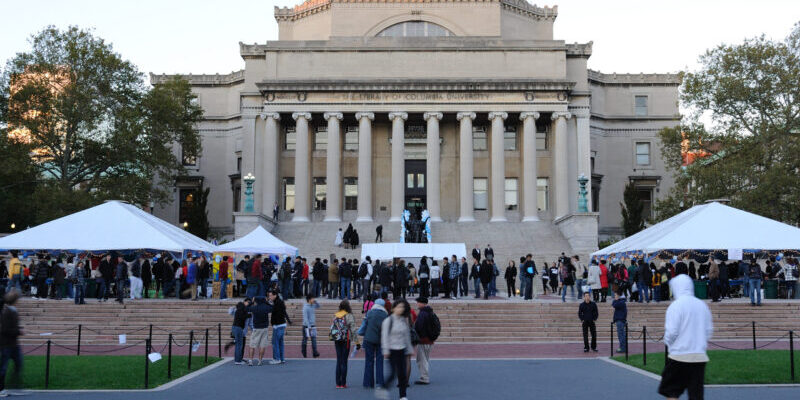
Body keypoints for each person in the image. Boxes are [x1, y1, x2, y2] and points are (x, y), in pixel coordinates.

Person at [658, 274, 713, 400]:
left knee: (671, 391)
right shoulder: (702, 305)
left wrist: (669, 343)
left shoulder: (676, 306)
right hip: (699, 356)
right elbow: (708, 331)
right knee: (696, 395)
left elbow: (672, 332)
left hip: (679, 355)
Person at [376, 299, 413, 400]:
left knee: (402, 374)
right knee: (393, 374)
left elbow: (406, 336)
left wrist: (409, 349)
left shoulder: (403, 320)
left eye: (402, 307)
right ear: (393, 308)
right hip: (392, 350)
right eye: (399, 307)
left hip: (402, 349)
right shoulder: (388, 321)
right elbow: (384, 336)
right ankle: (384, 388)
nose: (401, 309)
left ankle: (403, 395)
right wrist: (385, 350)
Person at [359, 298, 388, 388]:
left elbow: (364, 325)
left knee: (369, 361)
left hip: (369, 339)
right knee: (380, 361)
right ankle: (380, 382)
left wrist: (360, 332)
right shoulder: (385, 315)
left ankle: (368, 383)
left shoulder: (369, 313)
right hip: (380, 340)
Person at [332, 300, 359, 388]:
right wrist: (357, 342)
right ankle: (343, 383)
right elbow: (353, 330)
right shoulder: (349, 315)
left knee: (338, 361)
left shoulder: (336, 315)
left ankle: (337, 383)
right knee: (344, 361)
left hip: (337, 339)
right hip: (346, 340)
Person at [0, 290, 23, 397]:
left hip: (13, 344)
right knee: (3, 367)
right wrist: (18, 331)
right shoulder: (6, 312)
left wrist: (17, 329)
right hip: (6, 344)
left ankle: (15, 384)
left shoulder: (13, 311)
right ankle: (1, 388)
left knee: (19, 363)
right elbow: (5, 329)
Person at [413, 297, 438, 385]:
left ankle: (424, 378)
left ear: (422, 303)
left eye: (418, 302)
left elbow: (419, 326)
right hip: (430, 339)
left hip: (423, 339)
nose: (417, 304)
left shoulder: (423, 313)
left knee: (421, 359)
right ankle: (424, 376)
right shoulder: (431, 312)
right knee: (425, 359)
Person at [245, 296, 272, 366]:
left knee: (252, 345)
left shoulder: (254, 308)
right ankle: (260, 360)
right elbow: (273, 307)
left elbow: (246, 308)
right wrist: (266, 302)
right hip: (265, 328)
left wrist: (252, 302)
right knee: (262, 345)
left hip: (256, 328)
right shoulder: (266, 308)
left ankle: (250, 360)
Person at [268, 290, 291, 364]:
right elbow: (284, 313)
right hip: (282, 324)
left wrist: (273, 323)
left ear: (275, 295)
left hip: (278, 325)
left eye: (270, 295)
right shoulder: (280, 302)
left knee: (275, 343)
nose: (269, 297)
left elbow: (276, 315)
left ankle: (277, 359)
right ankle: (281, 358)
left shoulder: (277, 303)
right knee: (280, 343)